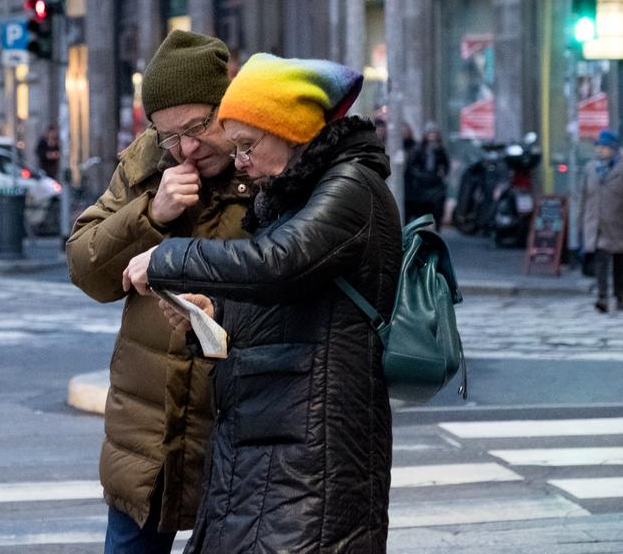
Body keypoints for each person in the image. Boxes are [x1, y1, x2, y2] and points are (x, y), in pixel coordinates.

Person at [123, 54, 402, 553]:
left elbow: (280, 262)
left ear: (290, 130)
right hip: (268, 442)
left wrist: (168, 255)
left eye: (248, 145)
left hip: (311, 452)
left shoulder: (350, 187)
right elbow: (291, 304)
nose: (242, 162)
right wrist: (211, 319)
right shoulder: (300, 193)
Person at [66, 30, 252, 554]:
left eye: (198, 127)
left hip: (236, 427)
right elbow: (85, 268)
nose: (187, 148)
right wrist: (150, 214)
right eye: (170, 135)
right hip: (148, 430)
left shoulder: (265, 164)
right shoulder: (147, 165)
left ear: (228, 107)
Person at [580, 130, 623, 313]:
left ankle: (619, 295)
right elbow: (583, 196)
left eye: (605, 147)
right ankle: (602, 297)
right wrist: (581, 223)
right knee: (601, 259)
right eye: (598, 146)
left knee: (619, 262)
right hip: (597, 223)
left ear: (614, 149)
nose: (601, 150)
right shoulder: (590, 168)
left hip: (618, 222)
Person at [406, 121, 450, 227]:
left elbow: (445, 165)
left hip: (435, 183)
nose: (432, 137)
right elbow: (412, 165)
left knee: (437, 209)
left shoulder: (440, 150)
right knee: (421, 210)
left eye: (434, 134)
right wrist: (420, 175)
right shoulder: (419, 149)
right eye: (430, 134)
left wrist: (441, 174)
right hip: (422, 185)